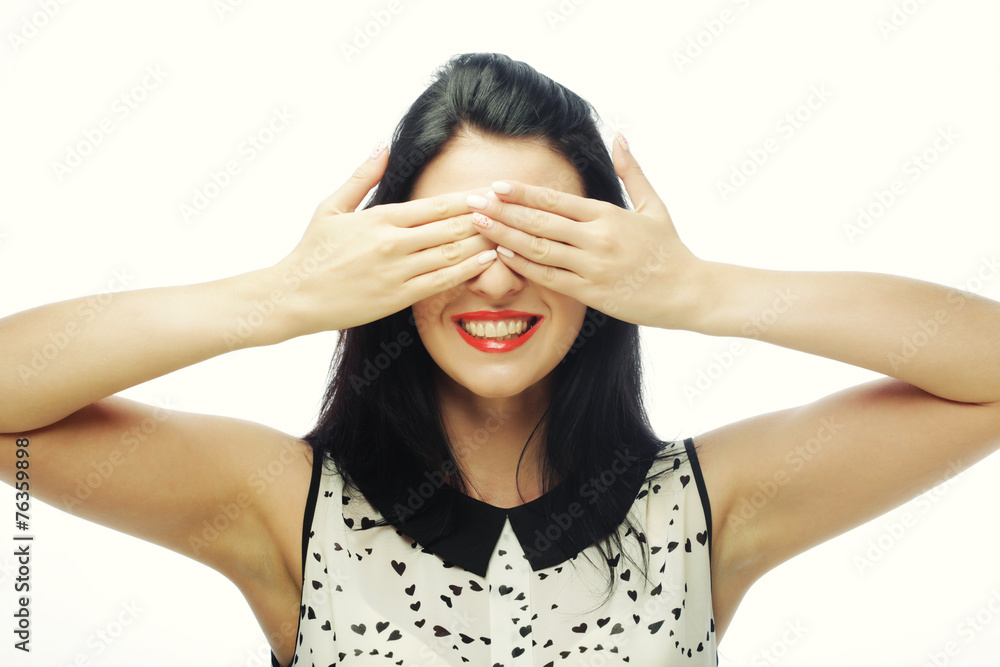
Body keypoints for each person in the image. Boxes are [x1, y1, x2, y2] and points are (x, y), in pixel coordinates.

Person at [2, 51, 999, 666]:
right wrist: (279, 298)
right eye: (449, 242)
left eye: (539, 240)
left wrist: (702, 291)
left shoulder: (702, 508)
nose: (493, 284)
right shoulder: (283, 507)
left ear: (606, 266)